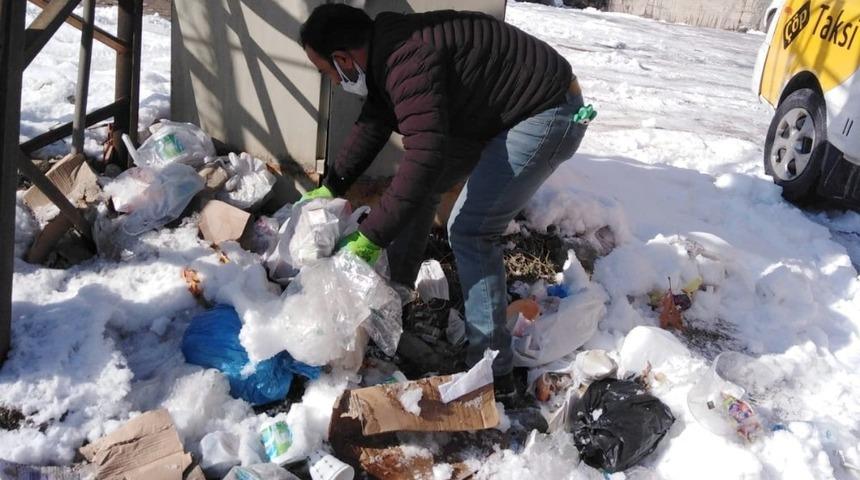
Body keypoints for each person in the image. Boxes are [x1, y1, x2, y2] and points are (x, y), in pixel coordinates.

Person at [300, 4, 589, 400]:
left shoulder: (406, 60)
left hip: (549, 109)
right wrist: (332, 185)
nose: (333, 82)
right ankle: (392, 299)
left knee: (470, 230)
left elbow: (423, 156)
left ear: (343, 59)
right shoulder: (388, 55)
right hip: (500, 112)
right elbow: (374, 123)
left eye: (327, 72)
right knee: (419, 190)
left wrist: (371, 236)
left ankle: (492, 371)